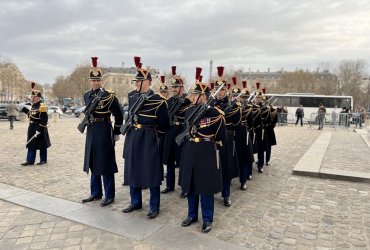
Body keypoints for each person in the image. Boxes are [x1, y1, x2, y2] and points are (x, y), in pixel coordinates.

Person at [179, 69, 226, 233]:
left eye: (196, 94)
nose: (192, 97)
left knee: (205, 187)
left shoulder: (215, 113)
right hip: (190, 149)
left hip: (206, 151)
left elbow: (221, 137)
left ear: (204, 96)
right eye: (193, 94)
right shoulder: (189, 111)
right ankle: (192, 215)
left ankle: (207, 219)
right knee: (191, 185)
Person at [122, 56, 170, 219]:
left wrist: (155, 136)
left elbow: (165, 124)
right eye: (135, 81)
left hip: (149, 137)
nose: (135, 84)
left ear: (148, 82)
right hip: (133, 135)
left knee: (151, 172)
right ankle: (135, 202)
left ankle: (154, 206)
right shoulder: (132, 96)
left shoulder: (158, 100)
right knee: (133, 169)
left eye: (138, 81)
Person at [81, 57, 123, 207]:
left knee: (105, 162)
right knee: (93, 161)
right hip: (91, 130)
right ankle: (96, 192)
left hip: (104, 130)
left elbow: (119, 114)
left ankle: (109, 195)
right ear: (89, 81)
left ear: (100, 80)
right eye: (93, 80)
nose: (95, 83)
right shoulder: (86, 95)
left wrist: (116, 132)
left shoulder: (109, 96)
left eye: (97, 80)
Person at [161, 66, 192, 198]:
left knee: (182, 161)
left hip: (180, 131)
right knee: (169, 160)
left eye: (176, 87)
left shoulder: (187, 101)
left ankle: (184, 187)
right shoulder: (168, 101)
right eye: (172, 87)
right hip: (169, 131)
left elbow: (189, 117)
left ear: (181, 88)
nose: (174, 89)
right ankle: (169, 185)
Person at [213, 70, 240, 207]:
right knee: (212, 167)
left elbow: (236, 123)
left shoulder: (233, 105)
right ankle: (211, 190)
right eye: (217, 89)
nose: (219, 92)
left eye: (222, 89)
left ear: (226, 90)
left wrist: (234, 108)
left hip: (227, 139)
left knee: (226, 166)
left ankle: (226, 194)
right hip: (212, 139)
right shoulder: (210, 103)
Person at [20, 83, 51, 166]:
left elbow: (44, 119)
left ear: (36, 97)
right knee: (31, 144)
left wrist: (39, 130)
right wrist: (23, 109)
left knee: (42, 145)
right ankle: (30, 160)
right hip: (32, 127)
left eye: (32, 96)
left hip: (39, 127)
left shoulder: (42, 106)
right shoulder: (33, 105)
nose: (31, 98)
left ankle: (43, 160)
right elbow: (32, 115)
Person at [234, 80, 254, 190]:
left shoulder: (249, 108)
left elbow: (251, 124)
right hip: (234, 135)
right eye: (241, 97)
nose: (243, 99)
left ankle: (243, 181)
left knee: (244, 160)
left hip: (244, 136)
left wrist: (246, 129)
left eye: (244, 97)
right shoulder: (232, 107)